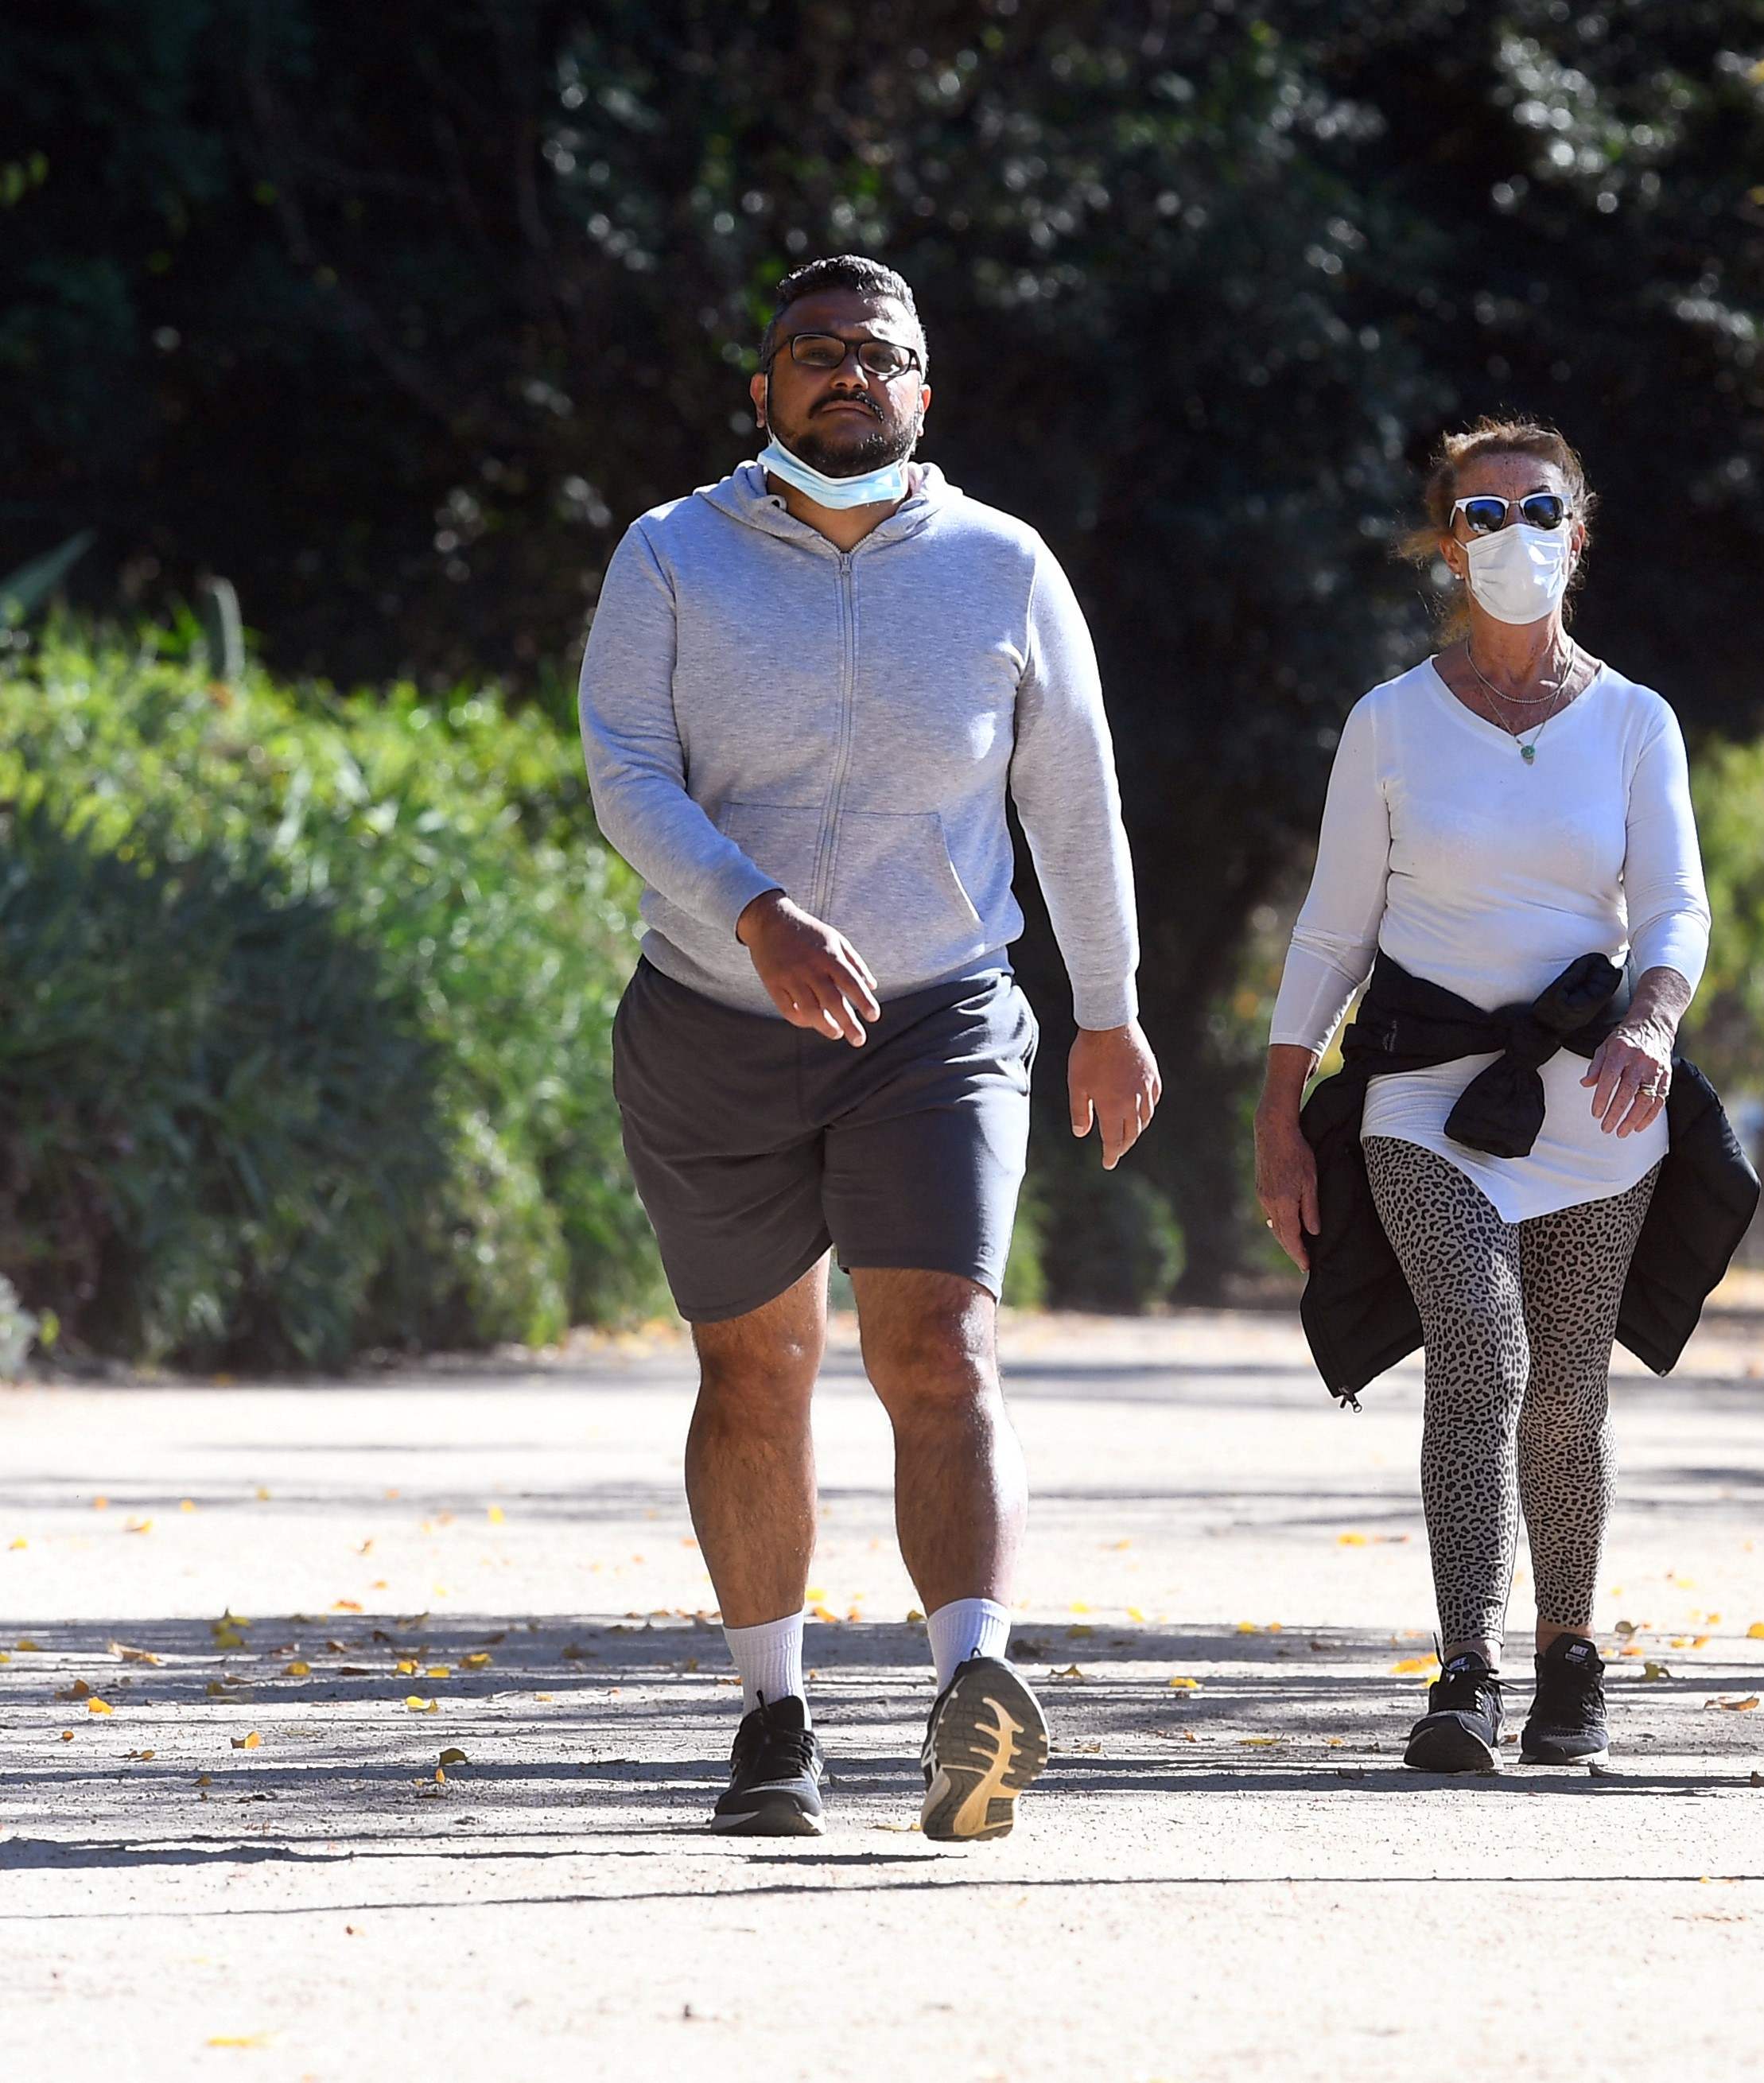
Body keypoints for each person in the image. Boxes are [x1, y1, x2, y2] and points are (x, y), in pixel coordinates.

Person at [578, 255, 1157, 1840]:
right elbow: (625, 772)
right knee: (754, 1367)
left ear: (923, 390)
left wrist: (1106, 1006)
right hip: (713, 1014)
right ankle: (775, 1715)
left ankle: (975, 1679)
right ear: (760, 390)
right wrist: (751, 908)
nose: (848, 374)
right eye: (813, 352)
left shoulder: (1004, 565)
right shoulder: (671, 556)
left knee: (940, 1347)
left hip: (941, 1015)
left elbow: (1074, 800)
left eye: (879, 353)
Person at [1255, 419, 1744, 1774]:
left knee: (1567, 1394)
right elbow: (1331, 932)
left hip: (1598, 1110)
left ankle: (1569, 1663)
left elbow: (1678, 906)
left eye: (1541, 507)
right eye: (1482, 512)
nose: (1513, 531)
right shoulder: (1391, 723)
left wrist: (1652, 1020)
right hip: (1424, 1096)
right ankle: (1465, 1665)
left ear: (1578, 533)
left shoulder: (1637, 722)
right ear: (1446, 542)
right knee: (1480, 1348)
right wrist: (1280, 1107)